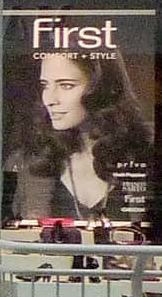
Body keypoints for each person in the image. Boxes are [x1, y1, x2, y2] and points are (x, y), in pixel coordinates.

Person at [11, 47, 154, 222]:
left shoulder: (147, 154)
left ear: (101, 88)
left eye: (66, 85)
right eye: (45, 85)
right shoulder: (28, 161)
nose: (49, 99)